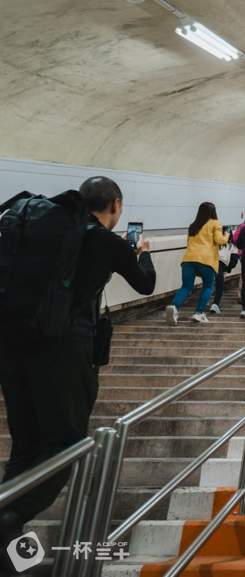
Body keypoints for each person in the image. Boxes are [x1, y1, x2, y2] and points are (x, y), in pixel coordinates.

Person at [0, 177, 156, 543]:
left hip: (13, 344)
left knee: (27, 446)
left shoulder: (44, 230)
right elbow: (146, 285)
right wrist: (142, 252)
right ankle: (8, 520)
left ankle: (8, 535)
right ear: (115, 205)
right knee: (66, 445)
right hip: (65, 349)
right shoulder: (104, 240)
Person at [166, 202, 228, 325]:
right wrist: (227, 235)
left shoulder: (193, 226)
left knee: (186, 286)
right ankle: (199, 313)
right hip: (206, 259)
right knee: (208, 286)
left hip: (188, 259)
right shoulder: (215, 223)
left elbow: (189, 243)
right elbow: (219, 240)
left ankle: (174, 307)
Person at [210, 229, 239, 313]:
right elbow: (234, 260)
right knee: (219, 286)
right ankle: (215, 304)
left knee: (208, 284)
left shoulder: (215, 243)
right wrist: (227, 270)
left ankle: (205, 300)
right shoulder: (232, 246)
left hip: (210, 263)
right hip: (220, 265)